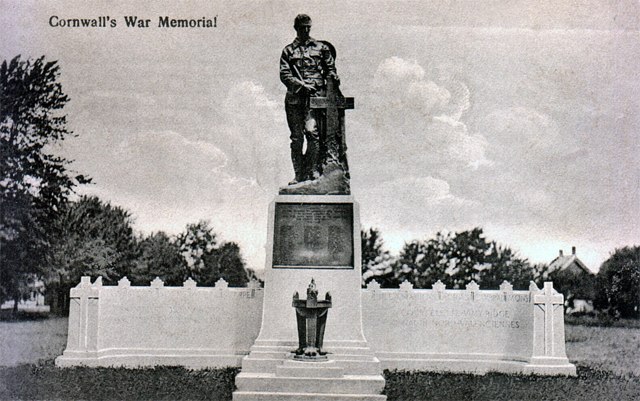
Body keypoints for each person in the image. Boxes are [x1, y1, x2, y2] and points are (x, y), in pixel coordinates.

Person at [280, 14, 339, 184]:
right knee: (297, 138)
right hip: (295, 100)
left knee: (313, 134)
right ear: (296, 28)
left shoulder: (321, 48)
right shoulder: (288, 51)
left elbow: (330, 69)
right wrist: (301, 85)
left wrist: (333, 76)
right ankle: (299, 174)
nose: (306, 30)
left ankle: (313, 170)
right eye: (302, 27)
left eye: (308, 27)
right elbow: (284, 74)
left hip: (315, 99)